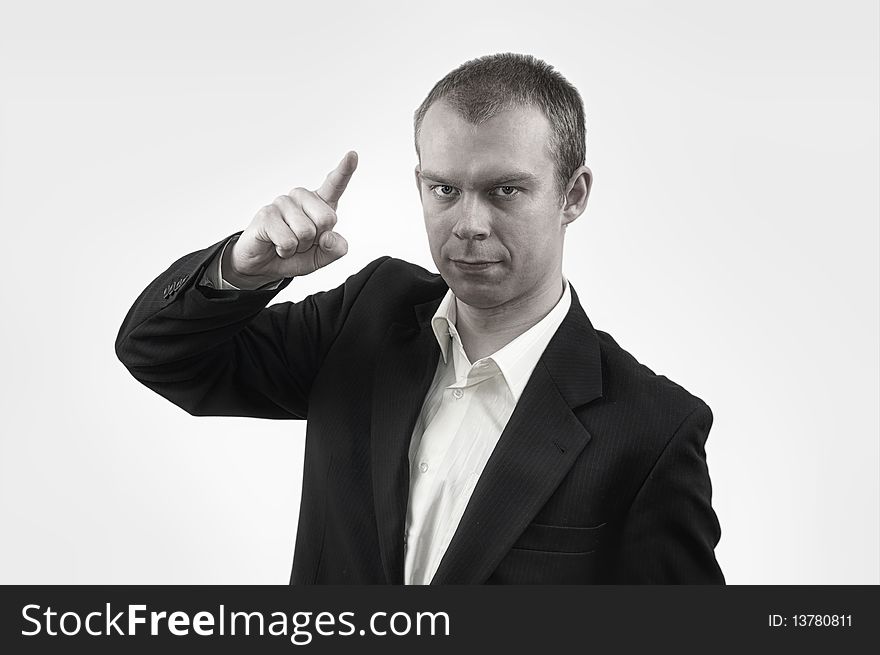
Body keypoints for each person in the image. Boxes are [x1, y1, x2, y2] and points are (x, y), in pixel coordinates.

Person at [116, 53, 724, 584]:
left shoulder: (652, 430)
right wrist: (244, 272)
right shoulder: (368, 314)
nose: (468, 224)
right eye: (444, 189)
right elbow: (157, 353)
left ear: (574, 194)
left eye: (506, 190)